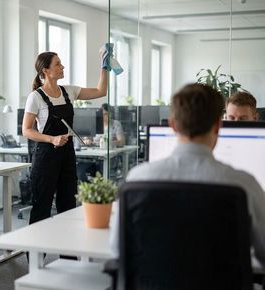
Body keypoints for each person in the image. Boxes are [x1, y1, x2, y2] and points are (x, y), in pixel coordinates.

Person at [109, 84, 265, 268]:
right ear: (218, 125)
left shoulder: (137, 179)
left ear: (172, 125)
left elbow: (117, 249)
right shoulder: (244, 185)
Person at [22, 51, 107, 225]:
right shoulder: (36, 97)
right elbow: (27, 130)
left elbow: (101, 91)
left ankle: (68, 252)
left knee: (68, 205)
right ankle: (36, 252)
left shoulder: (69, 91)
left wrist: (104, 66)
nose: (62, 67)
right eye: (58, 64)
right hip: (45, 156)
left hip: (67, 155)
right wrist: (51, 139)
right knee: (42, 207)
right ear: (46, 70)